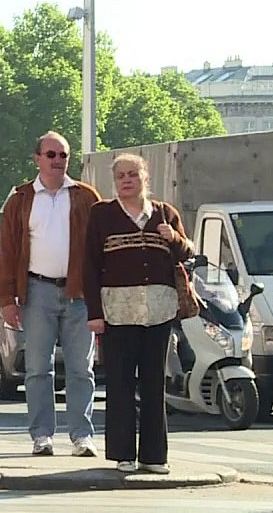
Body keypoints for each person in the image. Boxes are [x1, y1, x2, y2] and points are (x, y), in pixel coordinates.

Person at [85, 154, 193, 475]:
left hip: (158, 311)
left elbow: (187, 252)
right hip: (118, 311)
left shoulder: (165, 213)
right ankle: (123, 454)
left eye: (132, 174)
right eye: (120, 176)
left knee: (153, 383)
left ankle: (154, 456)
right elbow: (89, 264)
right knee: (120, 383)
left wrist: (173, 238)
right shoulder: (102, 214)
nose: (126, 181)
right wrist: (94, 313)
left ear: (145, 177)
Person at [0, 131, 101, 457]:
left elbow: (100, 249)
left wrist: (101, 297)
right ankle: (41, 435)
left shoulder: (85, 197)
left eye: (63, 155)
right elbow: (8, 252)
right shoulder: (20, 199)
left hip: (79, 293)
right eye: (51, 155)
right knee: (38, 368)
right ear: (37, 159)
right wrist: (7, 299)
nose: (58, 160)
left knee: (81, 369)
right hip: (36, 291)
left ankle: (82, 436)